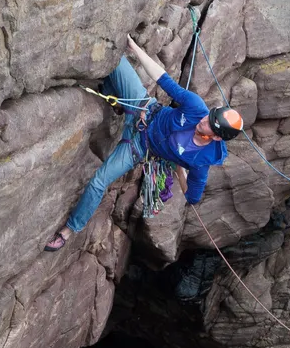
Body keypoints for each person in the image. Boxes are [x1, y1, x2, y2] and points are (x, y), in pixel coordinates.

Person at [44, 34, 244, 251]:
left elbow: (192, 196)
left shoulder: (201, 161)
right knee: (115, 59)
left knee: (98, 182)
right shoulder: (196, 107)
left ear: (216, 137)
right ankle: (114, 98)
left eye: (209, 124)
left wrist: (180, 168)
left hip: (138, 147)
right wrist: (135, 47)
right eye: (208, 116)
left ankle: (69, 229)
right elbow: (163, 78)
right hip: (143, 106)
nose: (203, 120)